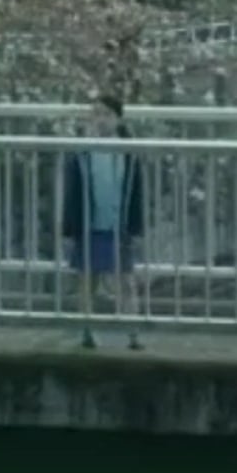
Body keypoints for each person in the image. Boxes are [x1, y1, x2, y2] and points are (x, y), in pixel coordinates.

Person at [59, 94, 146, 349]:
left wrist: (136, 228)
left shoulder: (129, 153)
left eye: (107, 114)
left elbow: (136, 194)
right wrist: (69, 229)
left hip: (119, 226)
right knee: (88, 281)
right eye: (96, 114)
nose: (101, 120)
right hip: (90, 225)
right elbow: (72, 194)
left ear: (119, 119)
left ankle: (133, 333)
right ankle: (87, 331)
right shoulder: (82, 153)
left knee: (126, 281)